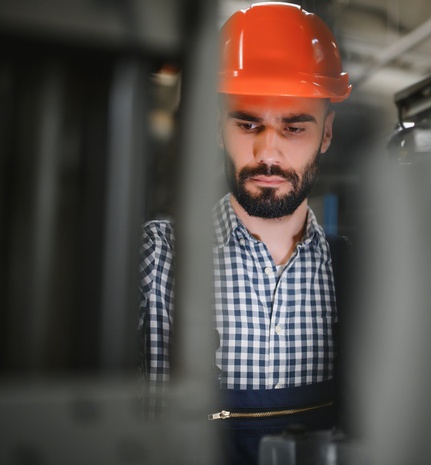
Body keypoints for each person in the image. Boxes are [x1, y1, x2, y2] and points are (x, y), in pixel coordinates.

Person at [138, 3, 351, 464]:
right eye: (248, 123)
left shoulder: (357, 274)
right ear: (218, 128)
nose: (267, 152)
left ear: (327, 134)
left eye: (294, 127)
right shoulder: (157, 260)